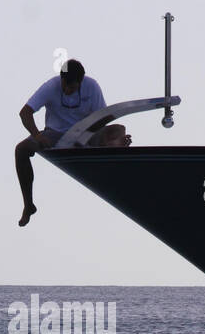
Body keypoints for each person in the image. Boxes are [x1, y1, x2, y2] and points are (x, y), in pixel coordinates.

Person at [15, 59, 130, 227]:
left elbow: (104, 118)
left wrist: (91, 136)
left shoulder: (92, 87)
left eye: (72, 87)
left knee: (119, 128)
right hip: (54, 134)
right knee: (21, 150)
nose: (68, 90)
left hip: (86, 132)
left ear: (81, 82)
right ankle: (28, 205)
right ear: (61, 79)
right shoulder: (50, 86)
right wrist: (37, 135)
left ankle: (113, 145)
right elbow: (25, 113)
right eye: (65, 86)